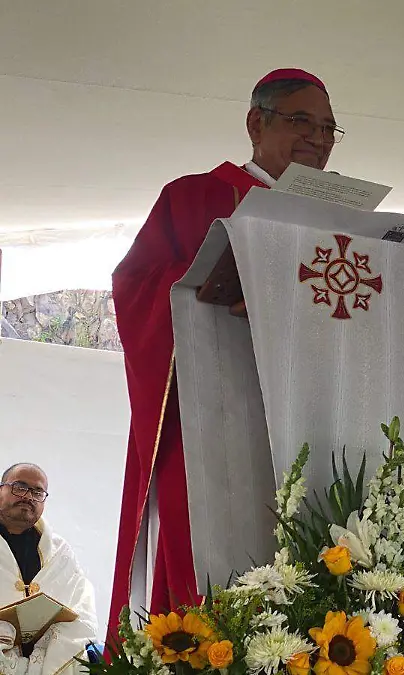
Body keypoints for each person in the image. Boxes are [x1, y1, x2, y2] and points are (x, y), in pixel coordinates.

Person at [108, 68, 342, 632]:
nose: (318, 139)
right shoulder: (195, 196)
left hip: (309, 414)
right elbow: (135, 285)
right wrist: (217, 283)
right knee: (213, 570)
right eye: (302, 121)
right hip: (217, 409)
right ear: (256, 124)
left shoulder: (340, 219)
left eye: (328, 129)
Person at [0, 464, 99, 675]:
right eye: (19, 487)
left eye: (38, 492)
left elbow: (81, 607)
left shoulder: (60, 552)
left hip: (49, 659)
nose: (29, 496)